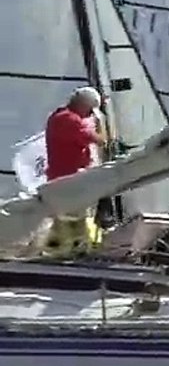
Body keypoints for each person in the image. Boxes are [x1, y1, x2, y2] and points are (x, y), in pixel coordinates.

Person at [43, 88, 109, 254]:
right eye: (89, 111)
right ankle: (70, 253)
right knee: (73, 220)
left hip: (60, 178)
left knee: (67, 220)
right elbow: (101, 141)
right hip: (70, 180)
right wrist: (101, 121)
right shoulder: (70, 120)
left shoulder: (58, 115)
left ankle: (68, 250)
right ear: (84, 105)